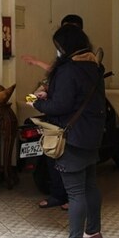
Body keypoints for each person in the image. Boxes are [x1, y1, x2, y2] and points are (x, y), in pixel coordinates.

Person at [32, 24, 106, 238]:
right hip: (92, 134)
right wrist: (51, 95)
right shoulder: (94, 66)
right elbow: (78, 98)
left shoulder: (68, 70)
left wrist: (37, 102)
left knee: (75, 192)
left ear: (65, 46)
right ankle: (92, 231)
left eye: (58, 47)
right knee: (90, 186)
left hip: (72, 137)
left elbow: (60, 106)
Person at [22, 14, 84, 210]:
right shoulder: (63, 60)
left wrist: (38, 103)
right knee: (52, 155)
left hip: (71, 122)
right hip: (55, 119)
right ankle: (57, 195)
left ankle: (71, 198)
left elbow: (63, 101)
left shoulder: (82, 61)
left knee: (70, 162)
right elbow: (55, 76)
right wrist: (42, 92)